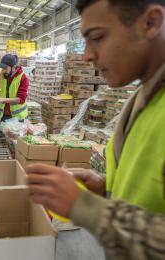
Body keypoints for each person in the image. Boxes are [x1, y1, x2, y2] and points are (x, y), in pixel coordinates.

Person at [27, 0, 165, 258]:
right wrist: (106, 189)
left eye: (98, 37)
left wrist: (87, 208)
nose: (87, 55)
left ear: (151, 23)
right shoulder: (142, 97)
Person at [0, 54, 29, 122]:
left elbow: (21, 99)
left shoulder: (23, 78)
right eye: (2, 68)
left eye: (5, 68)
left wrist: (2, 100)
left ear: (13, 67)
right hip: (3, 115)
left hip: (17, 118)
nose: (3, 71)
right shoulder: (0, 73)